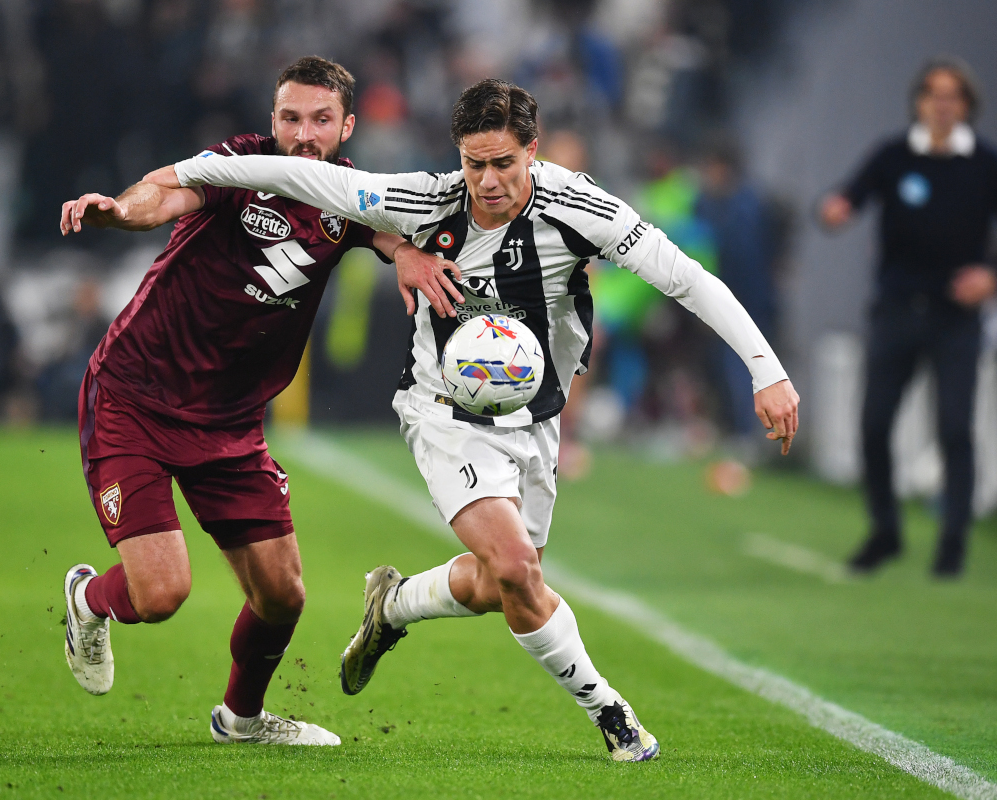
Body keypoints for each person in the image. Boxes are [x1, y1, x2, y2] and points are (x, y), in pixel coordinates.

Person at [169, 78, 800, 762]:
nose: (489, 180)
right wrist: (183, 173)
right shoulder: (426, 200)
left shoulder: (580, 207)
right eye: (475, 164)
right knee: (518, 570)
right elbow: (303, 176)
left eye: (504, 163)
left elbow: (686, 278)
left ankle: (394, 606)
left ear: (533, 150)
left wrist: (766, 369)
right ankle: (614, 717)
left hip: (536, 420)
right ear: (458, 156)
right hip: (444, 413)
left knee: (500, 584)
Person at [56, 56, 462, 746]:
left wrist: (410, 256)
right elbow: (166, 192)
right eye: (291, 118)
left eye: (320, 120)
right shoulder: (240, 166)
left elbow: (389, 230)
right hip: (136, 397)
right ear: (271, 121)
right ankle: (86, 599)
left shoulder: (349, 193)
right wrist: (121, 213)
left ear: (346, 126)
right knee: (160, 595)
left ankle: (240, 720)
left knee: (282, 596)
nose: (304, 135)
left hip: (229, 425)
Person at [821, 57, 997, 578]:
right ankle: (885, 531)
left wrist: (991, 276)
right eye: (933, 94)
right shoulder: (894, 157)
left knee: (954, 430)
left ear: (967, 106)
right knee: (874, 425)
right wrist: (832, 211)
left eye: (953, 96)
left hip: (955, 320)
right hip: (897, 311)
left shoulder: (984, 163)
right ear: (919, 101)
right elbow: (843, 201)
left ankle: (953, 545)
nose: (942, 105)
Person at [695, 140, 780, 452]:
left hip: (748, 300)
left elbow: (744, 258)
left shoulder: (745, 206)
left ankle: (749, 435)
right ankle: (734, 429)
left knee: (745, 366)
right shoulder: (710, 202)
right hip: (723, 299)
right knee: (723, 367)